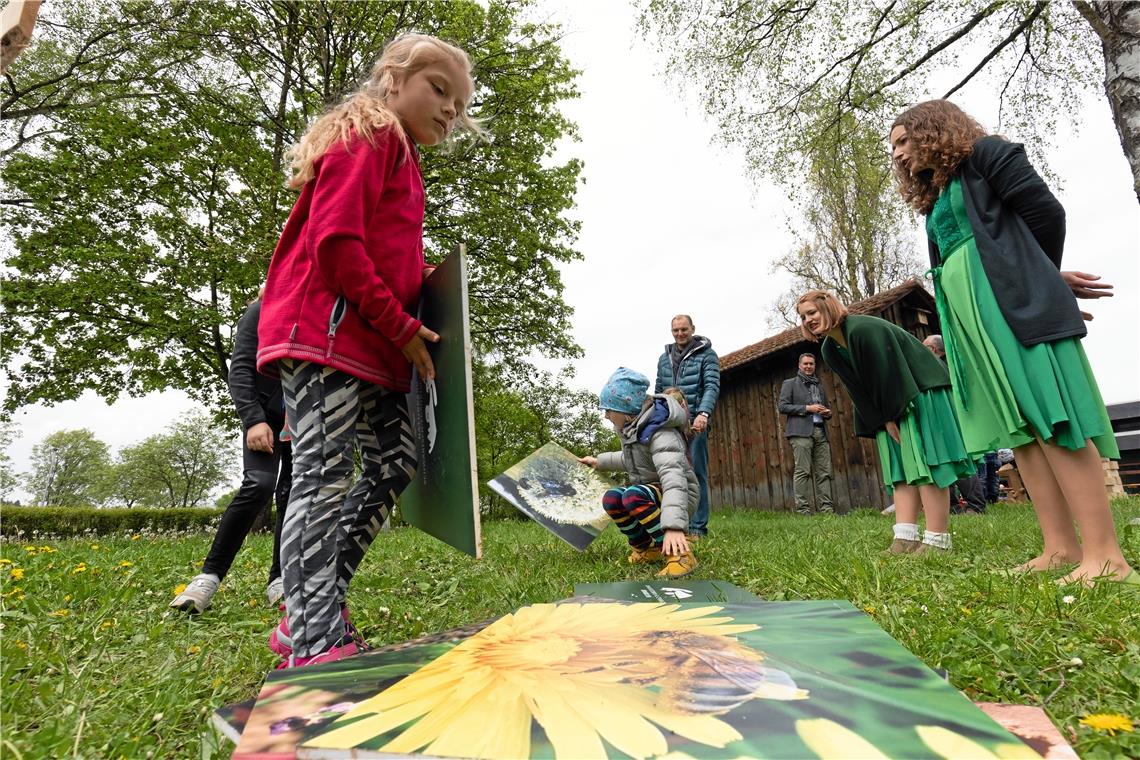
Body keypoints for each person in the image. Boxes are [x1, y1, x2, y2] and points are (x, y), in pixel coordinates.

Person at [255, 34, 487, 667]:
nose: (449, 109)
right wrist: (400, 323)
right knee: (323, 477)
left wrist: (430, 303)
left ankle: (313, 603)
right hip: (326, 336)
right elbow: (335, 243)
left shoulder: (403, 156)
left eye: (459, 103)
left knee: (395, 462)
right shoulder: (371, 133)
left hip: (374, 345)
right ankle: (313, 639)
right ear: (392, 78)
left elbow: (384, 254)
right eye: (438, 89)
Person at [890, 99, 1135, 585]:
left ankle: (1106, 558)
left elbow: (1045, 213)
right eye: (892, 147)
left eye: (902, 141)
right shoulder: (937, 197)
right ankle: (1060, 548)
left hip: (1011, 307)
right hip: (970, 320)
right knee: (1020, 428)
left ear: (931, 129)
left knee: (1051, 416)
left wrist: (1039, 278)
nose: (896, 154)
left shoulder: (987, 154)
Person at [797, 290, 976, 555]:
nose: (807, 320)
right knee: (900, 468)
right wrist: (881, 420)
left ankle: (938, 540)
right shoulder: (829, 349)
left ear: (828, 306)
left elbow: (889, 373)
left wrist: (893, 414)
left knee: (925, 461)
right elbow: (857, 390)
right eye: (802, 317)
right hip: (889, 401)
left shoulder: (862, 329)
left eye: (811, 312)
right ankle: (904, 537)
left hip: (919, 390)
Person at [170, 296, 293, 613]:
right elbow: (239, 368)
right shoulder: (262, 308)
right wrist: (253, 419)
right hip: (264, 417)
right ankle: (208, 578)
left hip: (302, 419)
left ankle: (279, 580)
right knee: (259, 485)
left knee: (293, 495)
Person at [579, 369, 699, 578]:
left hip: (680, 494)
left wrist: (674, 526)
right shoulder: (634, 429)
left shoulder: (660, 432)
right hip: (656, 491)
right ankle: (647, 549)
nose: (606, 415)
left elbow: (674, 480)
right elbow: (633, 461)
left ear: (627, 410)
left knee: (633, 495)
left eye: (609, 410)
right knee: (612, 498)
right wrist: (600, 462)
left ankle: (680, 554)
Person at [654, 315, 720, 538]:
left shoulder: (707, 355)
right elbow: (659, 390)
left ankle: (697, 528)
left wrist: (703, 413)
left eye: (684, 329)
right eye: (675, 330)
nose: (680, 334)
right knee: (671, 473)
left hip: (695, 424)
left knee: (696, 472)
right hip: (670, 423)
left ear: (693, 329)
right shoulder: (664, 358)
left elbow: (711, 386)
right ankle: (674, 526)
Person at [922, 334, 986, 514]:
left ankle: (975, 506)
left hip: (951, 420)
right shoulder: (947, 364)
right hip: (945, 420)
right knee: (946, 462)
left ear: (933, 350)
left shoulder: (942, 365)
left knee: (960, 461)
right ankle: (954, 507)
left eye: (924, 346)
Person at [777, 353, 835, 515]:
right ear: (799, 365)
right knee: (803, 470)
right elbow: (782, 407)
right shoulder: (790, 384)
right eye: (806, 364)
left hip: (820, 430)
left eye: (811, 364)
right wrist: (807, 409)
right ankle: (803, 510)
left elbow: (826, 408)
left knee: (824, 471)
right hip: (800, 432)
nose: (809, 366)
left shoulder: (819, 386)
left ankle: (827, 510)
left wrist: (827, 412)